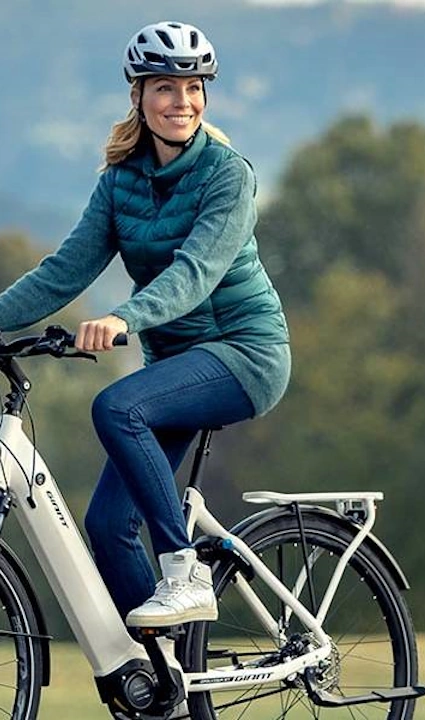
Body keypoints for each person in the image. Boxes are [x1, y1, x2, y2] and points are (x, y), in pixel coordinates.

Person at [0, 21, 290, 630]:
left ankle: (185, 574)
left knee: (116, 406)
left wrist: (122, 318)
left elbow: (195, 273)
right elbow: (62, 273)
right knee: (107, 527)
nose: (180, 101)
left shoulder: (229, 175)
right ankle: (164, 682)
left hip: (243, 354)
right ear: (138, 96)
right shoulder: (120, 182)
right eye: (165, 86)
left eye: (193, 87)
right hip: (177, 366)